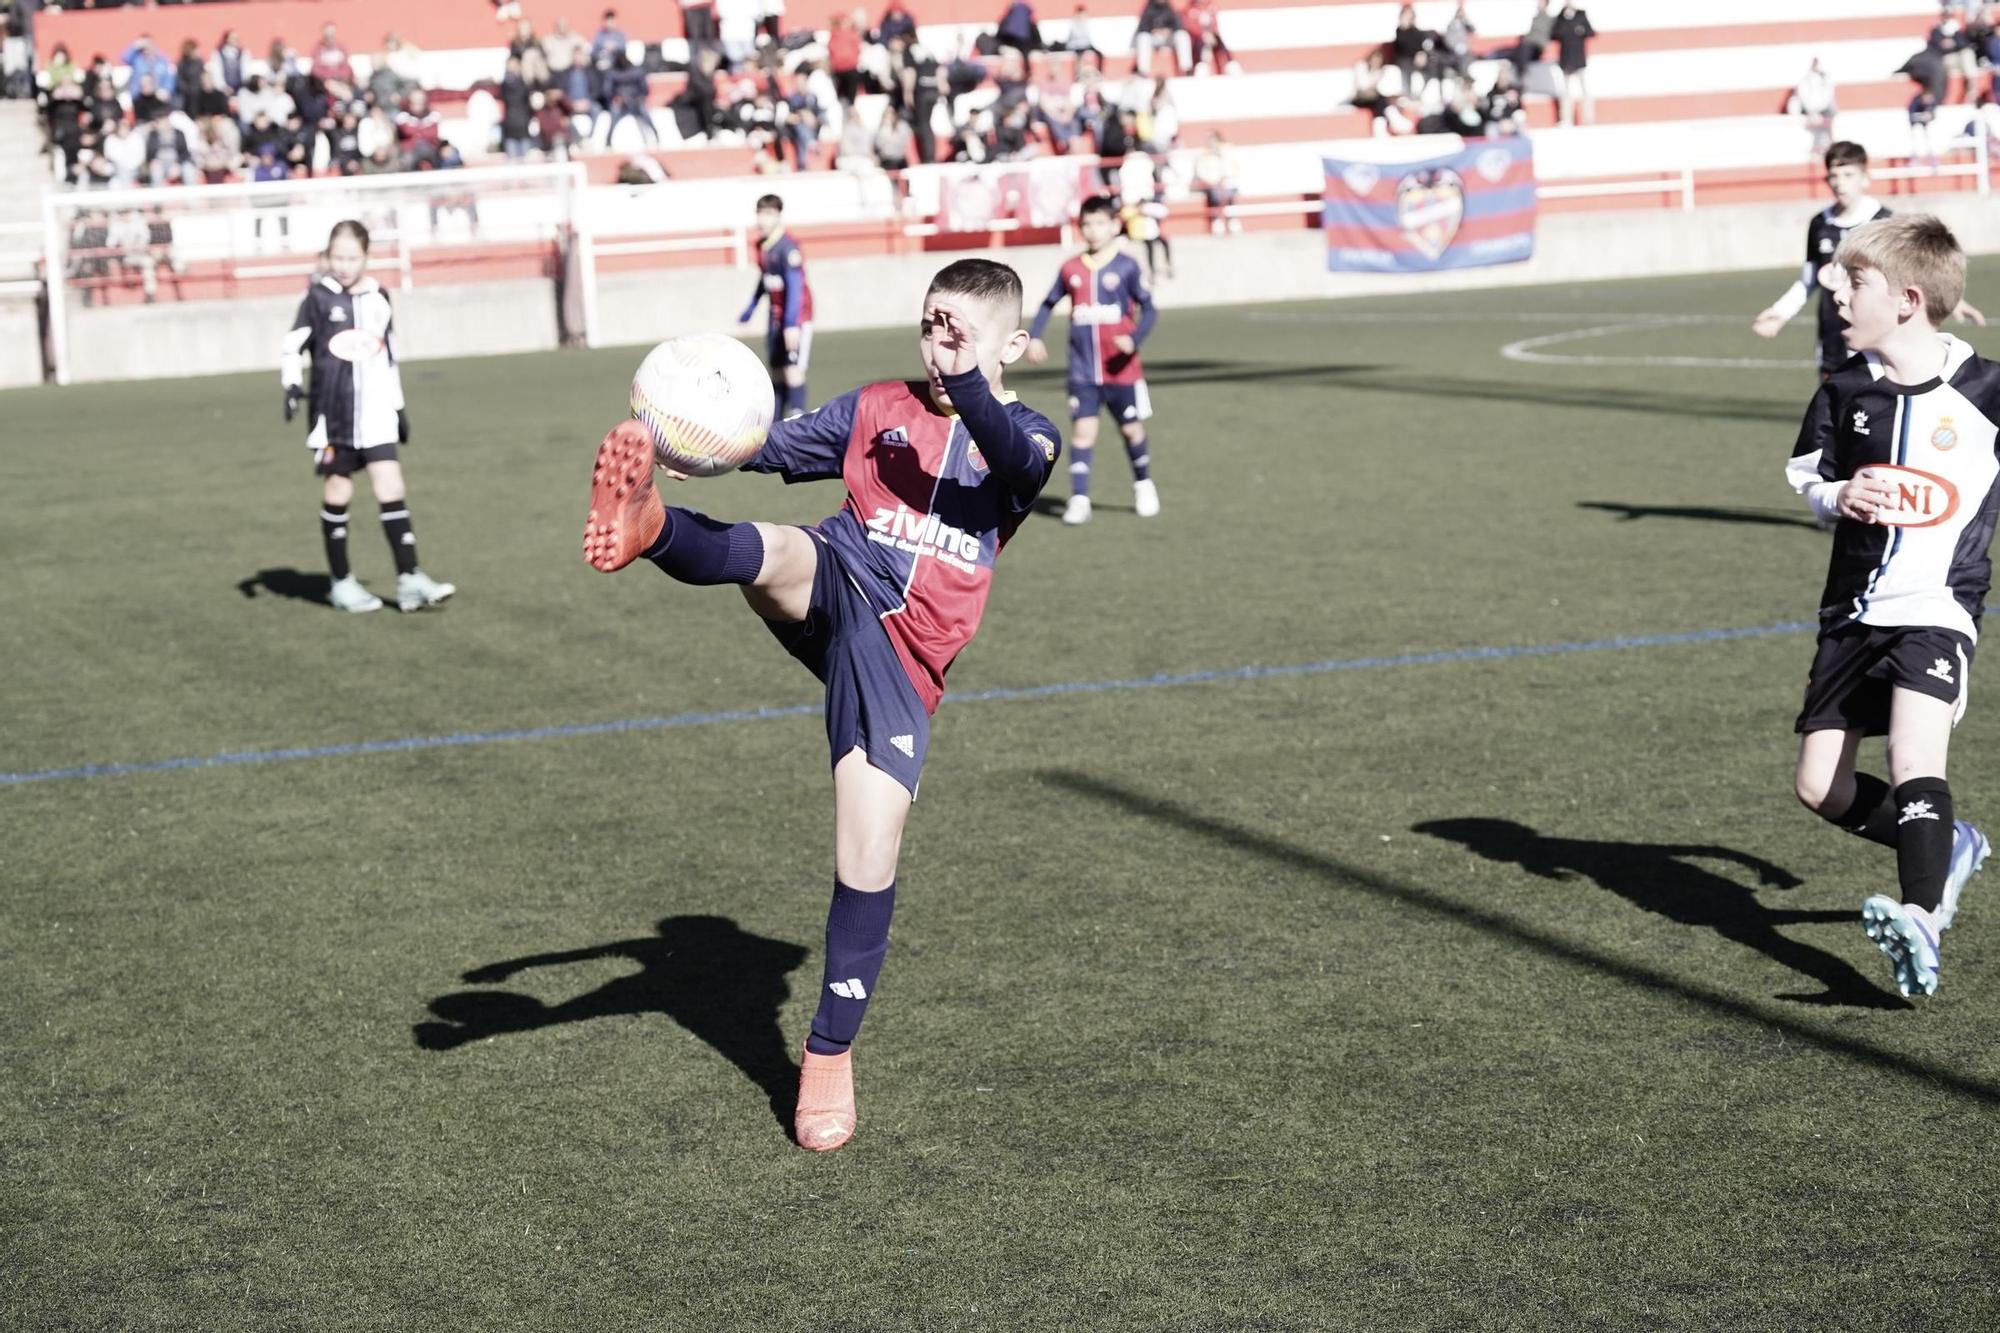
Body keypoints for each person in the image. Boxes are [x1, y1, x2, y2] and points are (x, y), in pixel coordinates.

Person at [579, 259, 1063, 1152]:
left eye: (960, 329)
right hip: (840, 575)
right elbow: (764, 443)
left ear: (1015, 346)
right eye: (931, 323)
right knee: (781, 552)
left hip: (903, 652)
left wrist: (963, 376)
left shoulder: (1028, 436)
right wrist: (685, 431)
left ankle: (828, 1056)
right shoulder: (878, 405)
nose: (939, 341)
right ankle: (648, 529)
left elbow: (1009, 452)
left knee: (866, 852)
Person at [1783, 214, 2000, 998]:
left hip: (1938, 606)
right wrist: (1840, 494)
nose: (1836, 291)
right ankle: (1951, 846)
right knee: (1820, 786)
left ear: (1908, 298)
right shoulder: (1844, 389)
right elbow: (1808, 478)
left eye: (1855, 280)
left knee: (1915, 757)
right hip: (1850, 613)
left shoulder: (1988, 391)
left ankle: (1922, 917)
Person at [280, 221, 455, 614]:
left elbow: (388, 354)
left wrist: (397, 405)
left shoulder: (379, 297)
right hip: (334, 416)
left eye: (352, 257)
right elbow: (292, 345)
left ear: (366, 256)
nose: (343, 265)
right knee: (338, 491)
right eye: (337, 257)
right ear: (327, 256)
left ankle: (409, 578)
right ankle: (341, 582)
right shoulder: (318, 298)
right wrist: (291, 385)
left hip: (375, 413)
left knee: (391, 485)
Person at [1753, 142, 1985, 379]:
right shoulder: (1820, 224)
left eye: (1848, 174)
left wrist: (1950, 298)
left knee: (1874, 403)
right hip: (1832, 328)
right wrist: (1780, 311)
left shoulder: (1884, 221)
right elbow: (1810, 278)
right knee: (1832, 399)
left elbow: (1915, 270)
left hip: (1875, 330)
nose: (1839, 182)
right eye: (1833, 175)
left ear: (1865, 178)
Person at [1024, 194, 1159, 526]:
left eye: (1100, 223)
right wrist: (1036, 335)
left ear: (1114, 226)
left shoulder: (1126, 265)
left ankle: (1143, 485)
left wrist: (1134, 338)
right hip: (1083, 372)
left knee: (1131, 430)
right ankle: (1080, 498)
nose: (1093, 230)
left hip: (1121, 370)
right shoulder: (1071, 268)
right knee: (1083, 434)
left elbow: (1150, 308)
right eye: (1087, 224)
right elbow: (1047, 303)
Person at [738, 194, 814, 417]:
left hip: (796, 316)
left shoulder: (788, 248)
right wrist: (751, 307)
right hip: (775, 316)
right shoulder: (763, 246)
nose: (763, 219)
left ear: (778, 216)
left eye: (769, 214)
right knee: (777, 371)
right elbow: (766, 279)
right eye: (760, 213)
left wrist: (791, 324)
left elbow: (795, 286)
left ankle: (799, 417)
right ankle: (776, 422)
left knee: (793, 369)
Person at [1551, 2, 1594, 125]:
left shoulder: (1581, 15)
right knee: (1565, 91)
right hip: (1566, 59)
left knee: (1585, 90)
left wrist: (1581, 30)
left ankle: (1588, 119)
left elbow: (1591, 32)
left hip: (1579, 58)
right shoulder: (1560, 17)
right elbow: (1553, 34)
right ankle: (1566, 119)